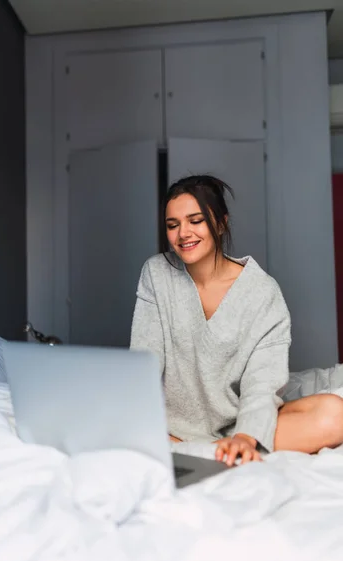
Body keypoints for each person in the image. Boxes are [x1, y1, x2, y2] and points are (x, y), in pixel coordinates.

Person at [130, 174, 343, 466]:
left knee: (334, 413)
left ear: (220, 223)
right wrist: (146, 426)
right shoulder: (156, 273)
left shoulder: (261, 291)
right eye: (173, 225)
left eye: (196, 220)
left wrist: (246, 436)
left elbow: (262, 381)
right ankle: (205, 447)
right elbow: (144, 361)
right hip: (169, 429)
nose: (183, 234)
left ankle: (215, 448)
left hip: (239, 425)